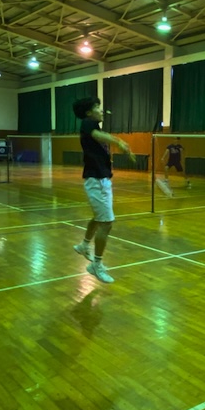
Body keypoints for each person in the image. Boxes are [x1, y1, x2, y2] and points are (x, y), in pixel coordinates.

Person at [72, 97, 135, 283]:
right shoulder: (87, 124)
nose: (101, 110)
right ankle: (96, 265)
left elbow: (101, 136)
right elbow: (100, 136)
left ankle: (84, 245)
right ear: (88, 113)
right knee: (106, 223)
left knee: (99, 217)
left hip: (101, 179)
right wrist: (119, 141)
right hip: (96, 180)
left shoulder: (95, 128)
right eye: (97, 107)